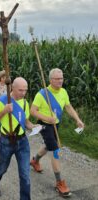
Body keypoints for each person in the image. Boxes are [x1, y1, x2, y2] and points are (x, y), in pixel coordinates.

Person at [30, 68, 85, 197]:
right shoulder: (42, 94)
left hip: (56, 123)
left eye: (61, 78)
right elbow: (33, 111)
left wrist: (78, 119)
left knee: (49, 145)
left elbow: (68, 107)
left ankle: (35, 160)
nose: (60, 81)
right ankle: (59, 182)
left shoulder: (64, 92)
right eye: (57, 79)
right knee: (55, 149)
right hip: (45, 124)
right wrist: (46, 118)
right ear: (50, 80)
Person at [0, 77, 36, 199]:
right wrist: (4, 111)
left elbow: (25, 121)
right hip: (6, 141)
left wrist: (34, 127)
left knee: (25, 174)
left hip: (23, 141)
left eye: (25, 90)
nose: (23, 93)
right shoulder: (2, 101)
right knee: (3, 167)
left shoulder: (25, 103)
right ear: (12, 88)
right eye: (20, 90)